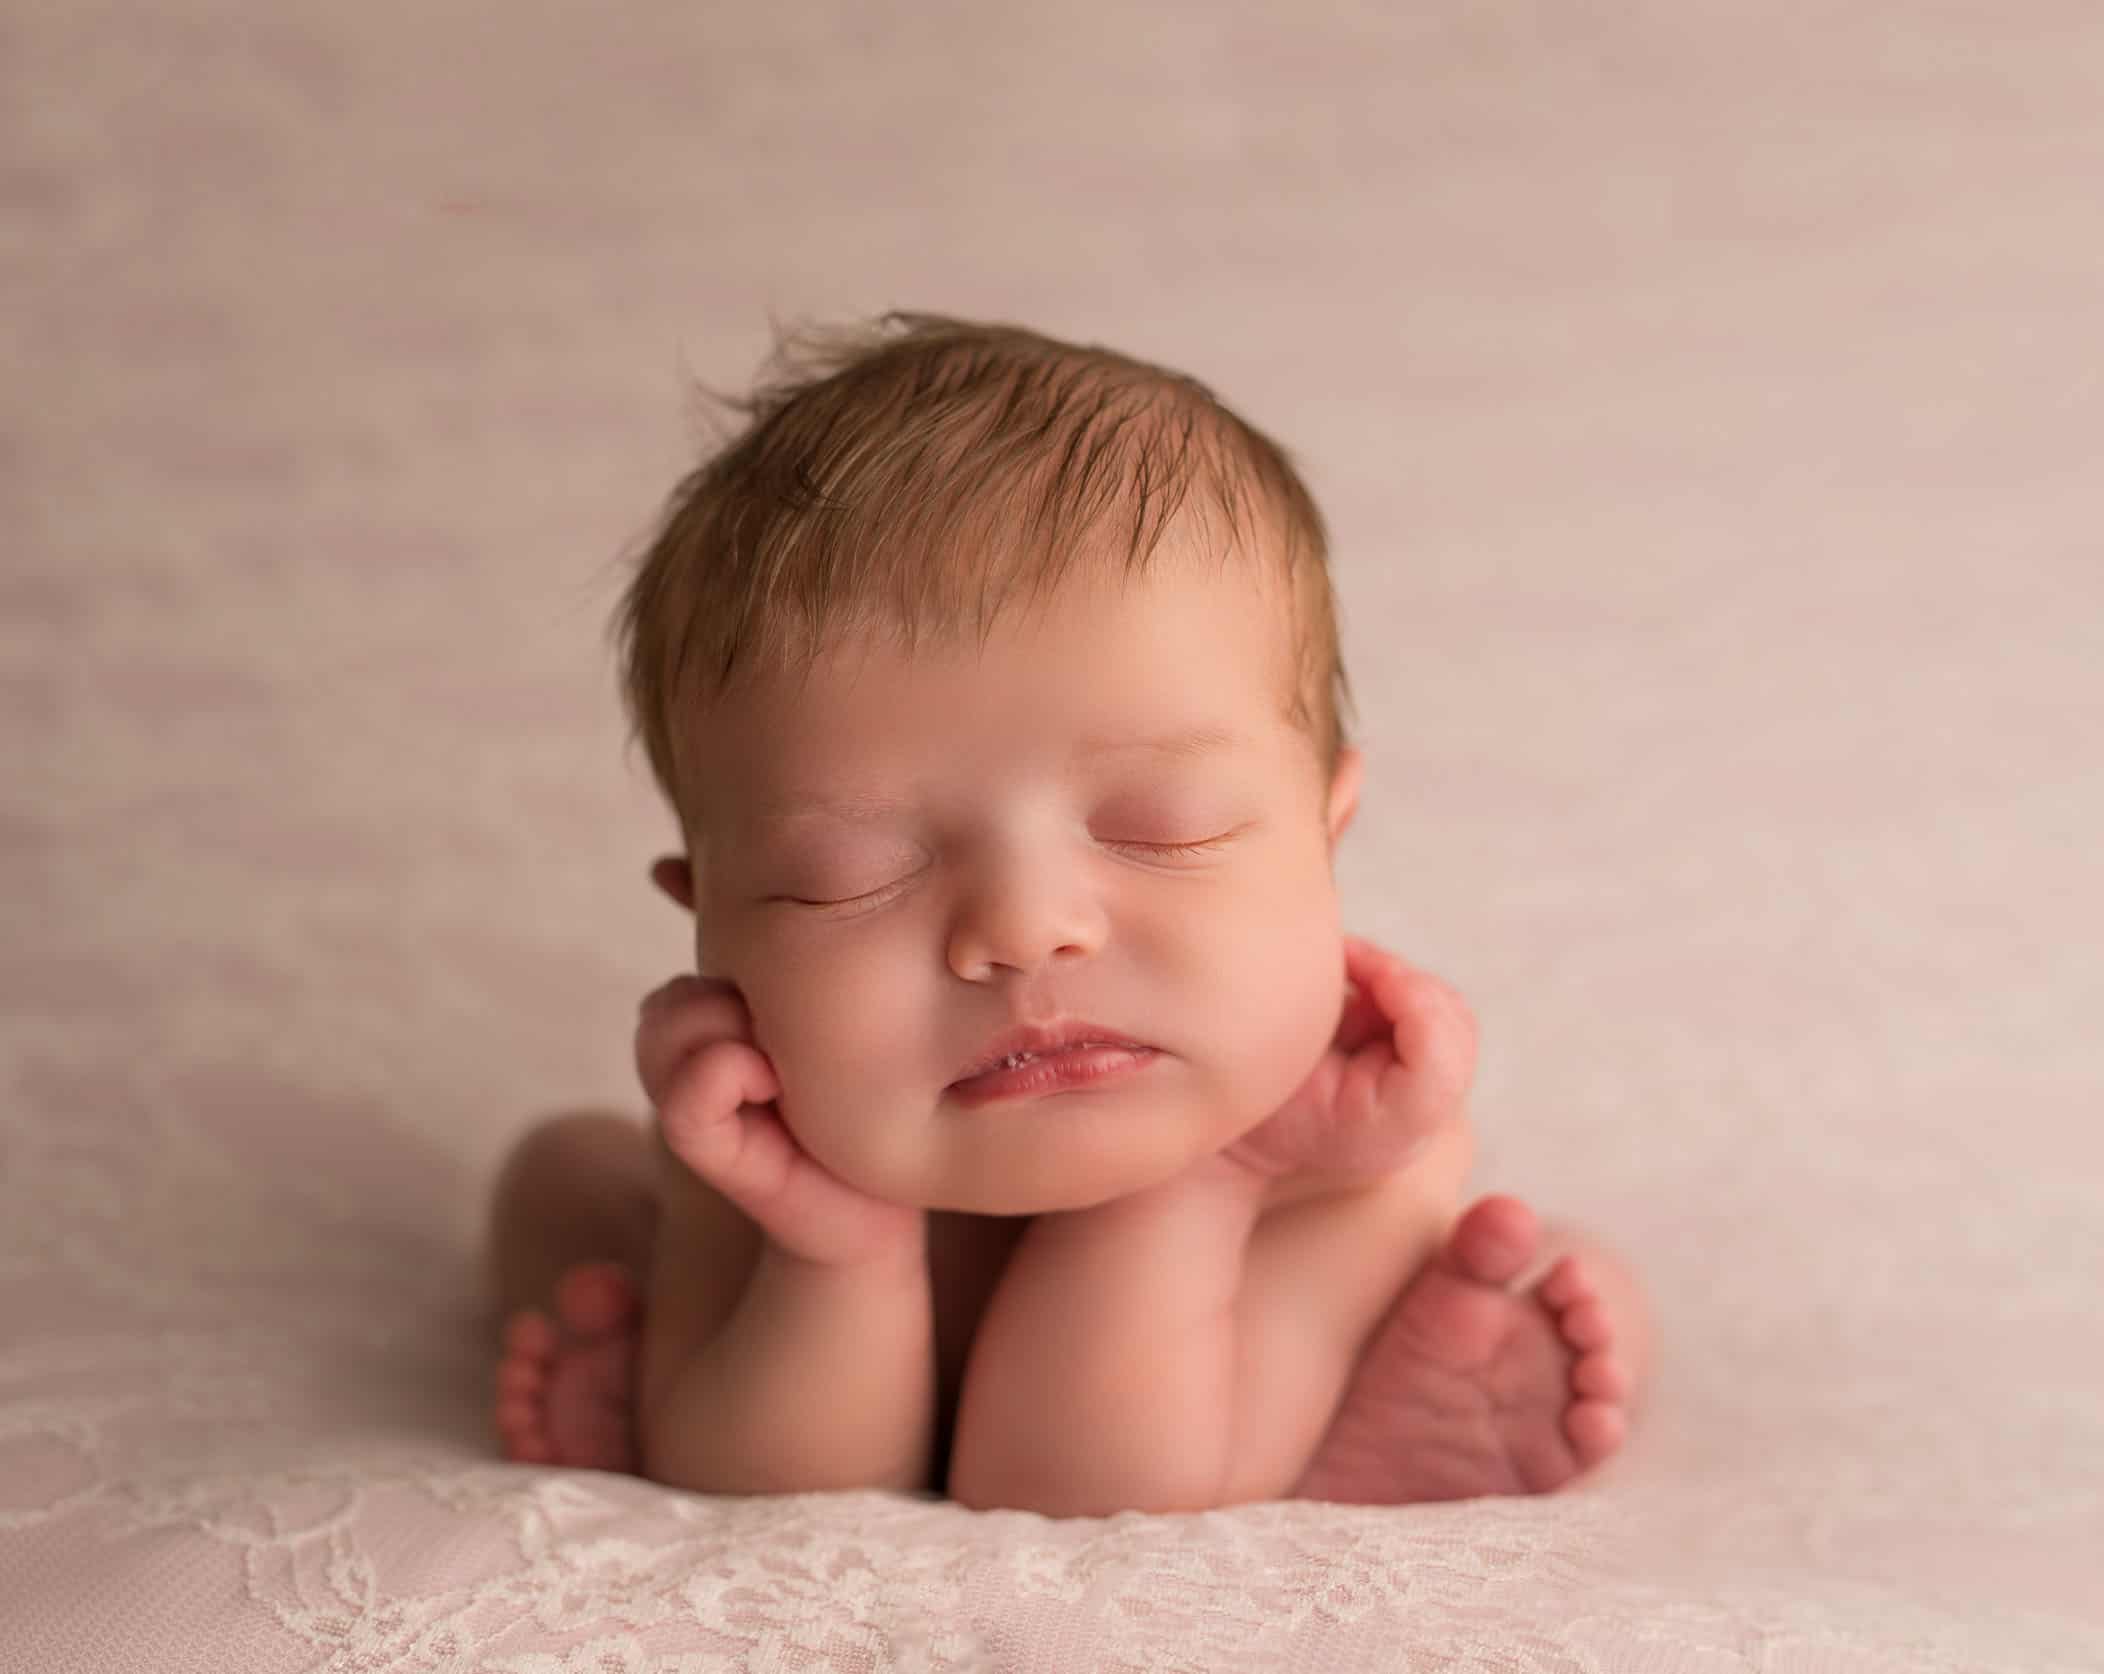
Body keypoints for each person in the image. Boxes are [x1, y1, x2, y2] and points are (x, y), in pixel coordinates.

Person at [484, 312, 1651, 1514]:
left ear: (1325, 830)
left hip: (1185, 1394)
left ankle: (1374, 1415)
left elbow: (1071, 1497)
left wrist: (1214, 1176)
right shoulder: (773, 1133)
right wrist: (832, 1250)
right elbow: (779, 1502)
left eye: (1162, 825)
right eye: (846, 874)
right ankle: (664, 1364)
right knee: (563, 1172)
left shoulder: (1343, 1149)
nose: (1025, 929)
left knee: (1566, 1273)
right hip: (851, 1242)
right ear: (712, 929)